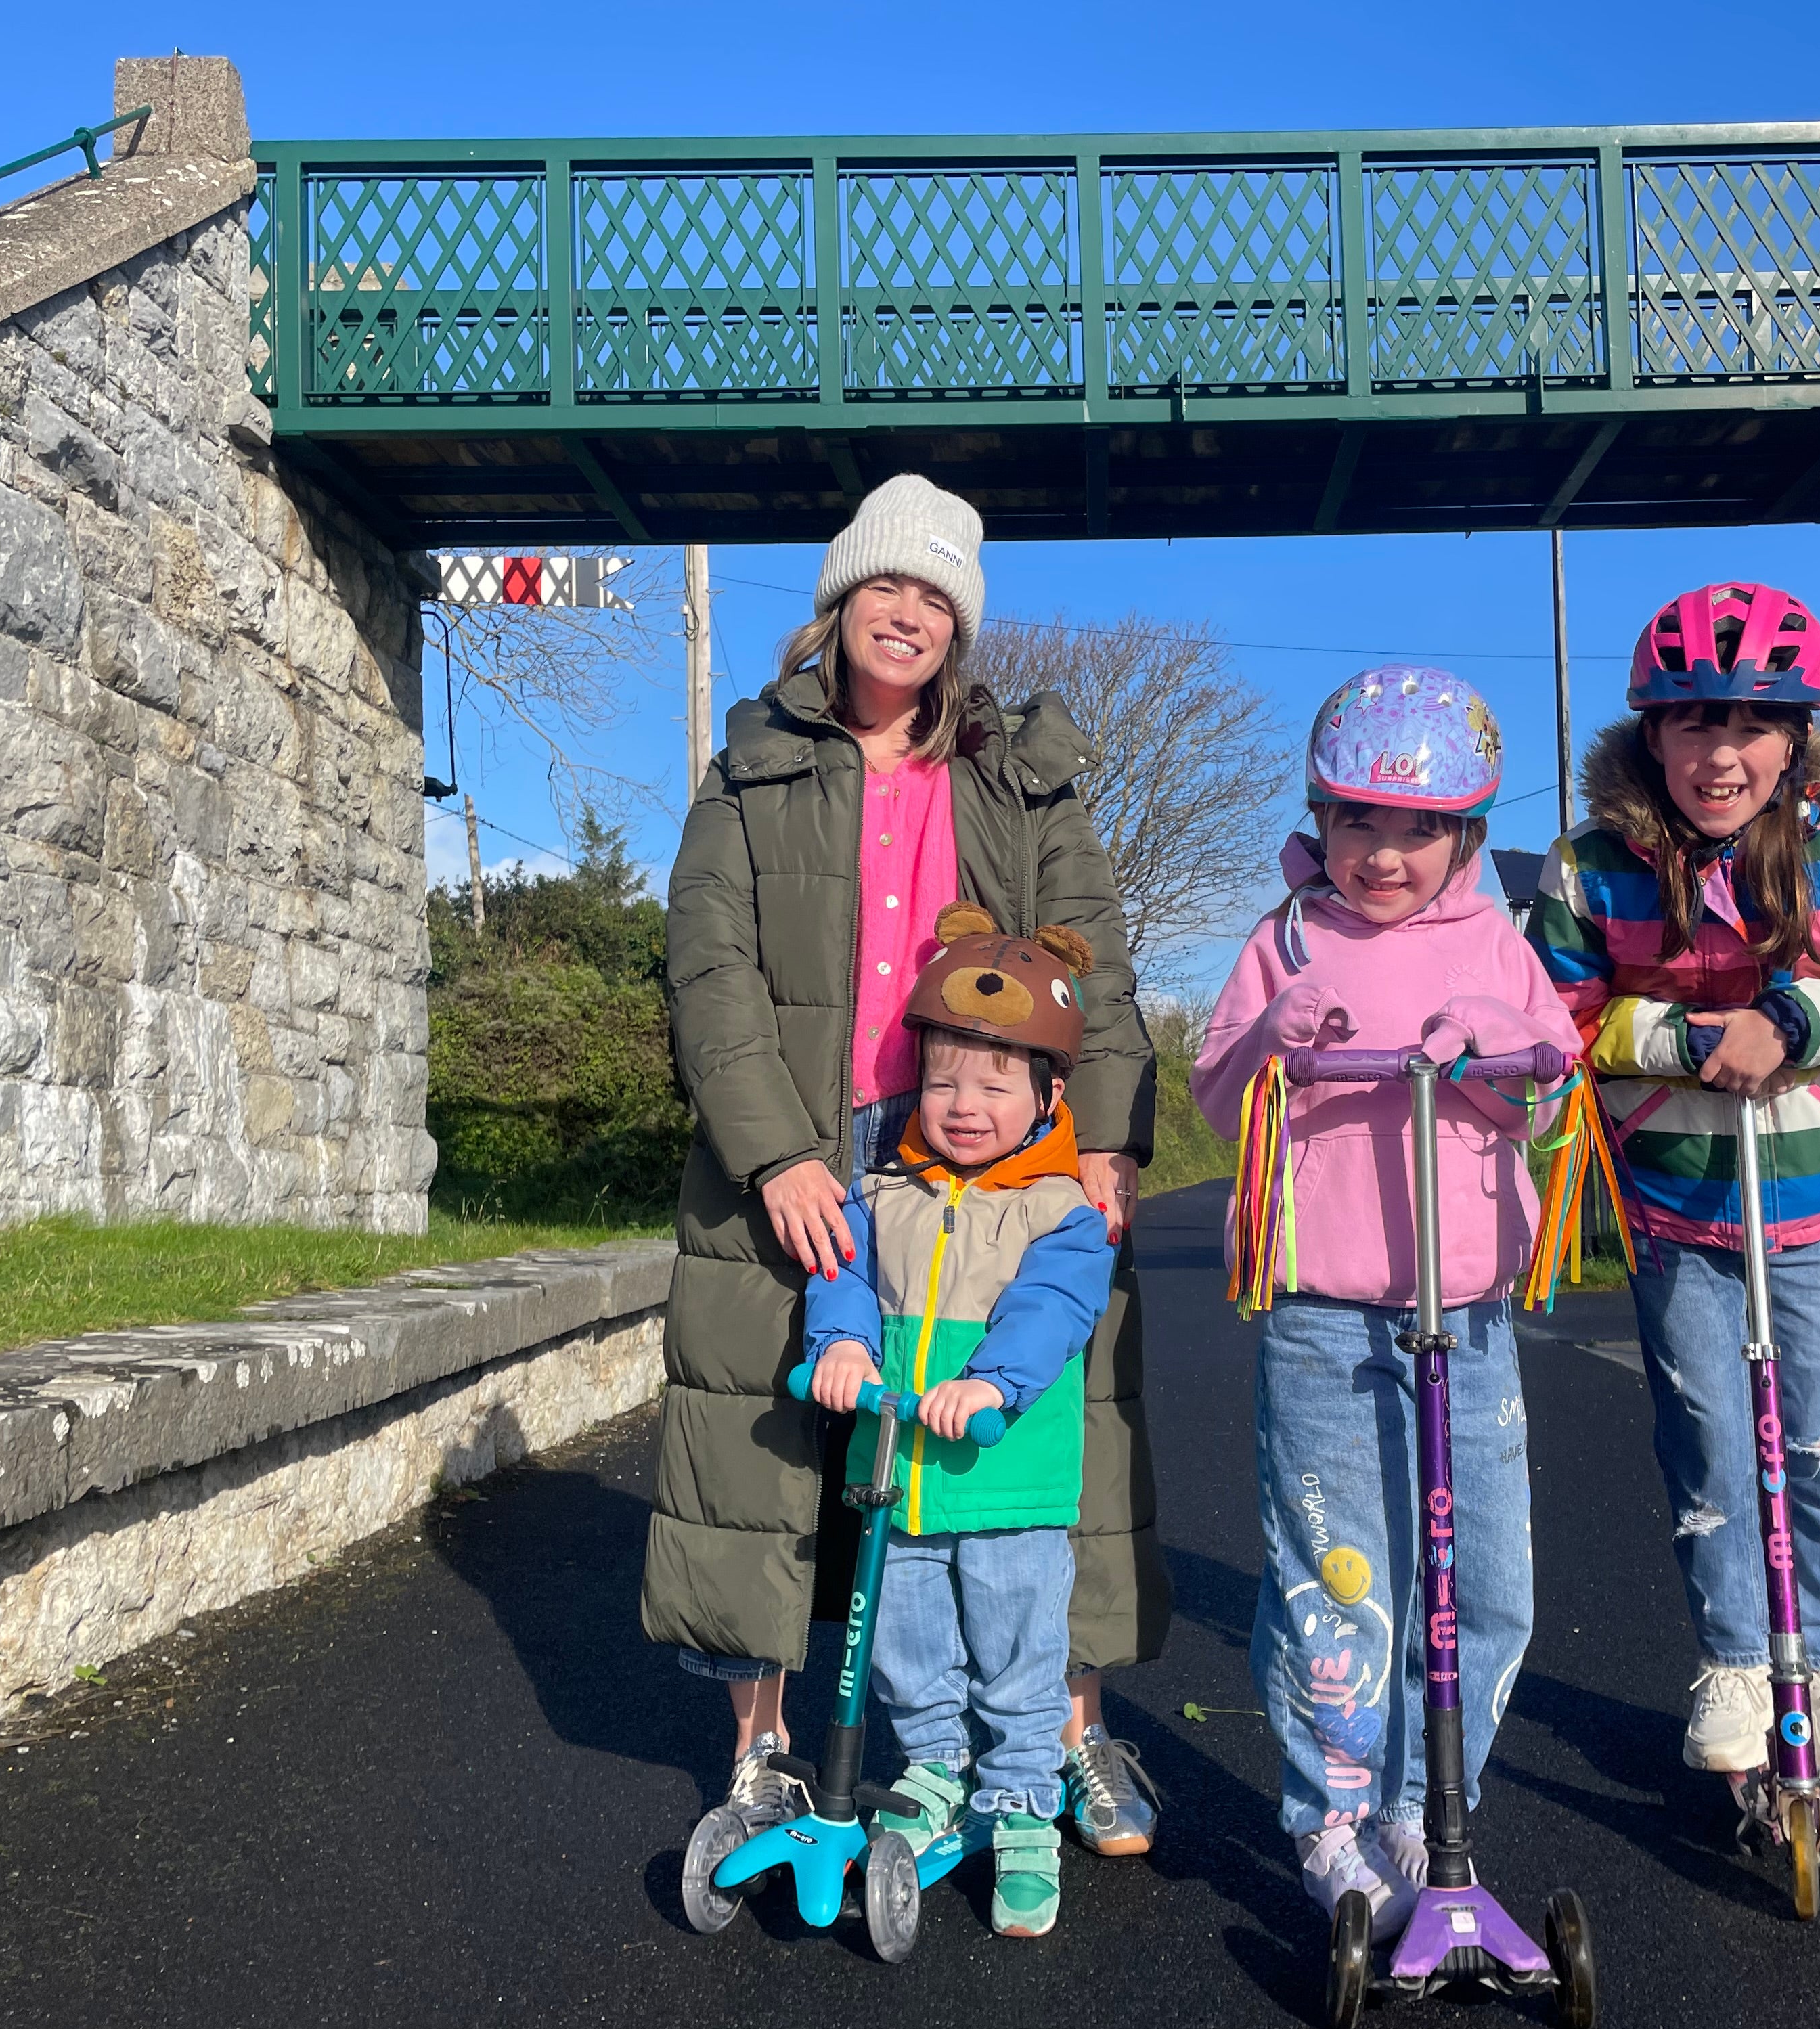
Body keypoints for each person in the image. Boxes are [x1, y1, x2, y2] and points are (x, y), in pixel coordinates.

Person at [644, 475, 1170, 1865]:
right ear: (840, 599)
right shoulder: (752, 763)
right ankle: (763, 1750)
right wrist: (775, 1157)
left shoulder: (1019, 772)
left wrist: (1106, 1141)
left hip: (1009, 1145)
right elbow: (710, 968)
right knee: (759, 1441)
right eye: (891, 585)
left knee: (1052, 1432)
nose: (911, 613)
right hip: (810, 1145)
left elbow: (1095, 965)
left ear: (961, 629)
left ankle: (1067, 1732)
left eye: (939, 597)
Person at [1527, 579, 1820, 1789]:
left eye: (1753, 724)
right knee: (1709, 1434)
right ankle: (1732, 1658)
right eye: (1694, 722)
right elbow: (1555, 1015)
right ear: (1650, 735)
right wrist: (1674, 1042)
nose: (1723, 754)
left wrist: (1791, 1017)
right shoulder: (1591, 863)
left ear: (1796, 738)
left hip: (1817, 1191)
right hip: (1674, 1194)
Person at [1189, 667, 1580, 1930]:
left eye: (1420, 830)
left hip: (1467, 1311)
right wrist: (1276, 1039)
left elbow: (1550, 1092)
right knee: (1342, 1577)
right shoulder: (1284, 940)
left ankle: (1426, 1803)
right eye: (1359, 822)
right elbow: (1216, 1097)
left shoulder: (1497, 940)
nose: (1386, 853)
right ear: (1322, 819)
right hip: (1323, 1309)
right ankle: (1335, 1818)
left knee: (1487, 1579)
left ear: (1466, 835)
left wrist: (1502, 1049)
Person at [805, 907, 1115, 1938]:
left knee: (1020, 1646)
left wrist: (991, 1385)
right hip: (896, 1476)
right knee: (903, 1638)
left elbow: (1052, 1313)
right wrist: (840, 1346)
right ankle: (937, 1769)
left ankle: (1025, 1798)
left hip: (1006, 1476)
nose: (964, 1104)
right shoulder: (881, 1188)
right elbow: (843, 1278)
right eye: (943, 1082)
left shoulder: (1061, 1210)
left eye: (993, 1084)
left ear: (1047, 1095)